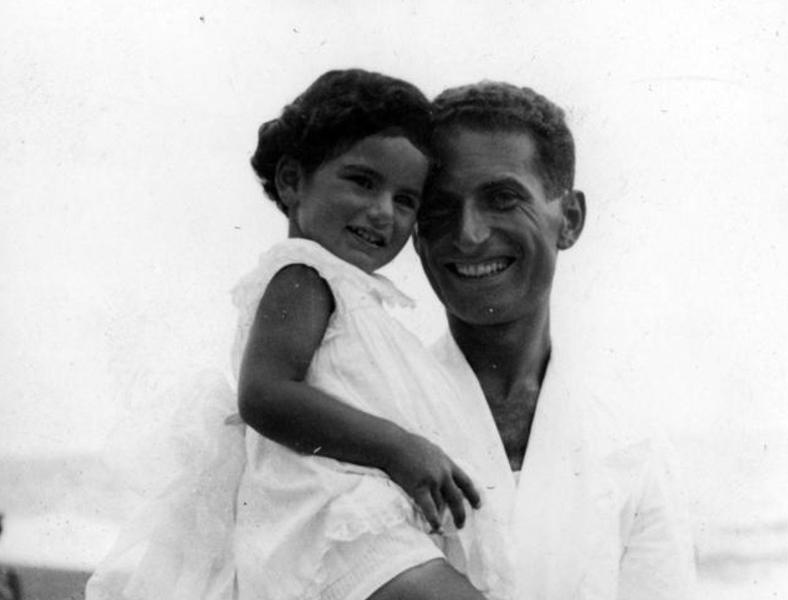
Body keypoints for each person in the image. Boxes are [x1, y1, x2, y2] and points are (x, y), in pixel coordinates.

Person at [86, 69, 514, 600]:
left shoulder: (354, 294)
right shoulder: (304, 274)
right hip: (329, 515)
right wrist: (399, 447)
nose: (383, 211)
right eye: (362, 181)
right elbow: (265, 394)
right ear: (292, 181)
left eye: (406, 199)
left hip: (363, 516)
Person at [411, 81, 697, 599]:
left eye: (502, 199)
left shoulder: (631, 442)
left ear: (570, 219)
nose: (469, 234)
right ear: (415, 232)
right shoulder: (375, 414)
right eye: (439, 207)